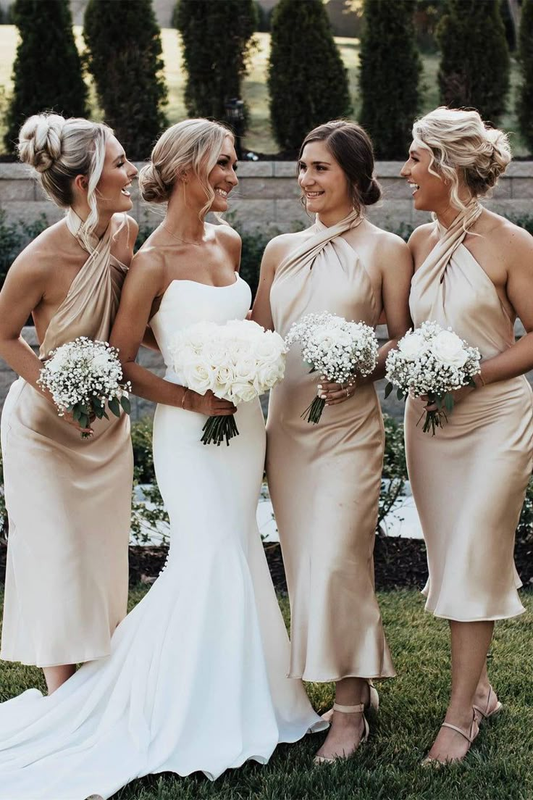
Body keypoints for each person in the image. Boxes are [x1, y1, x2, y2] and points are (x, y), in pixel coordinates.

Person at [0, 118, 325, 799]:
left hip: (234, 421)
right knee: (193, 554)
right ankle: (131, 702)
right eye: (224, 163)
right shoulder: (138, 257)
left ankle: (254, 694)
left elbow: (178, 327)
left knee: (235, 546)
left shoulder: (202, 240)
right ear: (187, 169)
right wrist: (187, 390)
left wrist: (235, 362)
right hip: (165, 426)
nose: (234, 174)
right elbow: (119, 353)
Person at [252, 120, 412, 762]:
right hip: (287, 430)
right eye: (302, 166)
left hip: (349, 431)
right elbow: (259, 333)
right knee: (306, 565)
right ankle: (356, 688)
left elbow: (402, 338)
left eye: (320, 167)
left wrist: (364, 367)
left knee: (340, 560)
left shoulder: (387, 250)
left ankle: (348, 717)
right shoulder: (279, 249)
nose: (306, 179)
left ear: (354, 175)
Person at [400, 106, 533, 765]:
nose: (404, 171)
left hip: (496, 418)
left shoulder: (511, 243)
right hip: (430, 424)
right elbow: (405, 335)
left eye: (414, 158)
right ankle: (478, 690)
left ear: (445, 166)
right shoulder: (417, 243)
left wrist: (469, 375)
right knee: (450, 553)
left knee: (477, 548)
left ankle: (459, 719)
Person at [0, 113, 138, 695]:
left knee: (101, 562)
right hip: (42, 434)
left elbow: (134, 322)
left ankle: (102, 693)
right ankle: (61, 704)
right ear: (86, 182)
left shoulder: (125, 233)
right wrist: (54, 390)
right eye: (121, 162)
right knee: (58, 560)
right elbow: (5, 335)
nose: (133, 172)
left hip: (106, 431)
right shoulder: (39, 260)